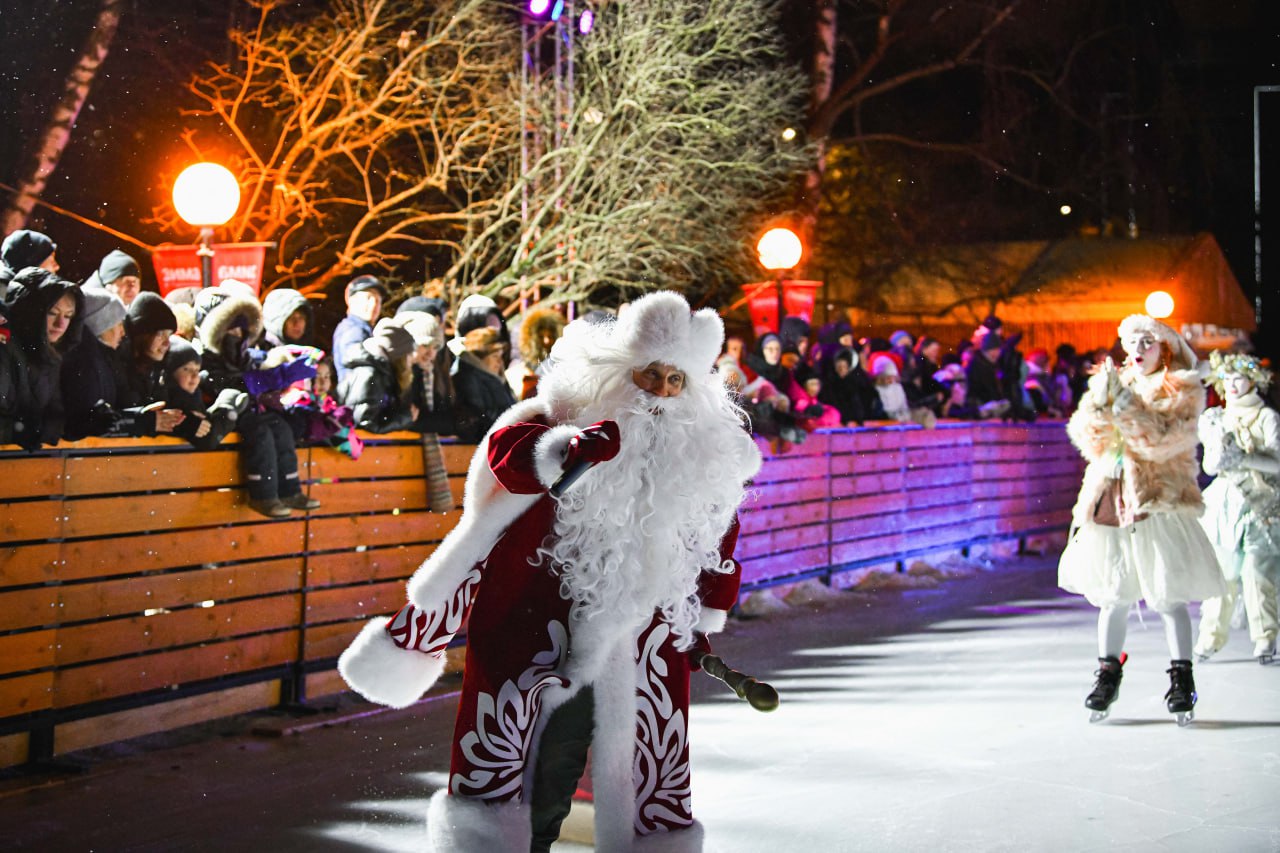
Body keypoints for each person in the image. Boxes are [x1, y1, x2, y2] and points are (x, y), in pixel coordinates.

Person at [337, 290, 761, 851]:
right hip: (537, 625)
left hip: (643, 644)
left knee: (633, 773)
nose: (659, 392)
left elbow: (716, 536)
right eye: (649, 374)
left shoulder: (697, 460)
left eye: (675, 381)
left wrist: (702, 622)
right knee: (534, 772)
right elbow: (506, 458)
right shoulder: (557, 421)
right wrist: (571, 452)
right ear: (618, 372)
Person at [1057, 315, 1223, 724]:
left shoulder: (1181, 387)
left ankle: (1182, 678)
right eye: (1131, 341)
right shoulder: (1116, 382)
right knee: (1114, 594)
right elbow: (1087, 437)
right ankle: (1107, 674)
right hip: (1111, 498)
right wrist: (1100, 402)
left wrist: (1125, 404)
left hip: (1157, 501)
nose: (1137, 349)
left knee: (1167, 594)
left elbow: (1163, 441)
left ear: (1164, 347)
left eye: (1146, 341)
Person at [195, 286, 321, 518]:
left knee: (281, 428)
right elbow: (226, 383)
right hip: (226, 413)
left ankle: (290, 490)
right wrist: (274, 377)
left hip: (250, 409)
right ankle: (263, 495)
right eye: (231, 327)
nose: (238, 333)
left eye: (240, 327)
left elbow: (253, 371)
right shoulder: (205, 356)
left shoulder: (243, 353)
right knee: (260, 432)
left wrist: (282, 374)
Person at [1193, 351, 1280, 663]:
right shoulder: (1216, 418)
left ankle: (1265, 636)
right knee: (1223, 572)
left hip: (1263, 505)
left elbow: (1277, 461)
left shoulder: (1267, 417)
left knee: (1259, 572)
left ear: (1253, 381)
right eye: (1227, 379)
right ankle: (1210, 636)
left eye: (1239, 378)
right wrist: (1220, 456)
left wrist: (1245, 457)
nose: (1232, 385)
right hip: (1226, 504)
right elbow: (1210, 465)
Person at [0, 267, 81, 446]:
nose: (61, 324)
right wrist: (17, 431)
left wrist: (85, 424)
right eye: (52, 312)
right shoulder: (4, 350)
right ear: (31, 312)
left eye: (68, 316)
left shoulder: (50, 357)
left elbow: (53, 416)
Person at [162, 335, 248, 449]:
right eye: (186, 369)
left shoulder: (193, 396)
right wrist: (227, 412)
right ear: (171, 372)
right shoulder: (168, 397)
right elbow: (207, 438)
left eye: (197, 370)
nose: (194, 376)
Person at [337, 318, 419, 433]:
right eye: (408, 353)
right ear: (398, 355)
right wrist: (405, 418)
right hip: (366, 448)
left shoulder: (381, 372)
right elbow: (365, 423)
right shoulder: (370, 374)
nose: (412, 359)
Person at [452, 326, 517, 443]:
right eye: (495, 356)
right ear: (479, 358)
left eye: (501, 356)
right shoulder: (468, 378)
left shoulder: (497, 378)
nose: (500, 362)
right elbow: (481, 415)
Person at [332, 275, 388, 384]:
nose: (373, 304)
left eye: (378, 300)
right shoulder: (352, 329)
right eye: (368, 298)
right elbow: (355, 359)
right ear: (352, 301)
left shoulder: (364, 329)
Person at [509, 305, 565, 400]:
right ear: (533, 337)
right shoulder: (520, 365)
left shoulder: (561, 359)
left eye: (550, 336)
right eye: (541, 336)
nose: (546, 341)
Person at [0, 229, 58, 299]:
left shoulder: (16, 296)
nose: (57, 267)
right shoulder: (13, 303)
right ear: (33, 265)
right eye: (52, 262)